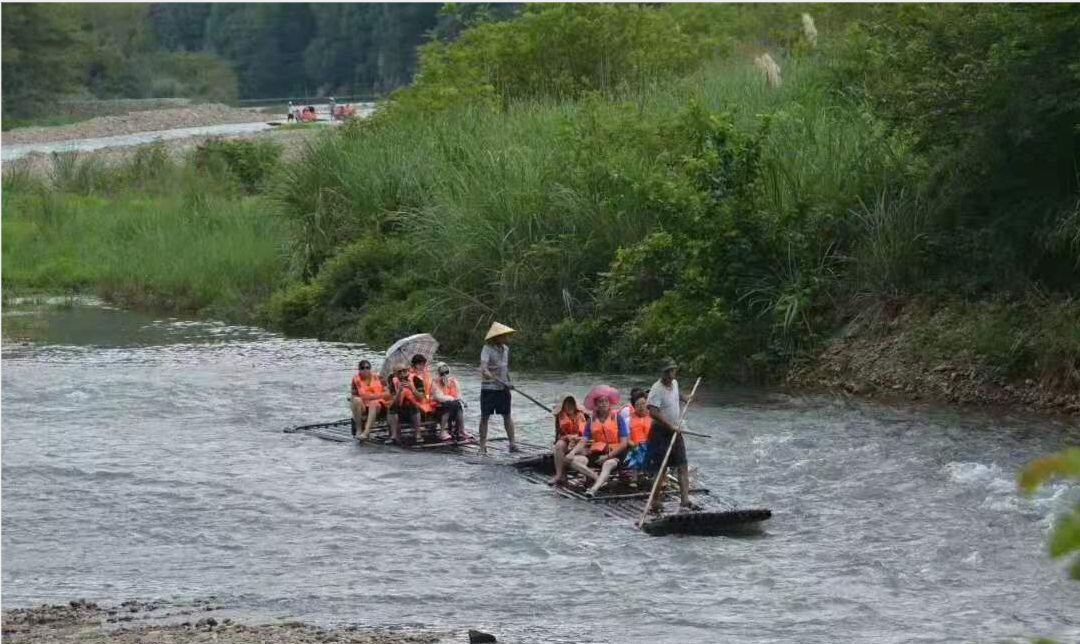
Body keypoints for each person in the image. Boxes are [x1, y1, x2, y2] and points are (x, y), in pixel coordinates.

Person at [645, 357, 695, 512]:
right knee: (661, 468)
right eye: (667, 371)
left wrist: (685, 398)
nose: (670, 374)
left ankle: (685, 500)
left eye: (672, 370)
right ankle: (655, 500)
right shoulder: (656, 389)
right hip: (660, 432)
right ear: (662, 373)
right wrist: (670, 426)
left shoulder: (675, 383)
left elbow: (676, 394)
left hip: (676, 430)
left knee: (682, 464)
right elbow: (653, 412)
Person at [569, 386, 629, 497]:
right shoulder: (591, 420)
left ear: (609, 403)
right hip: (597, 453)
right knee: (573, 461)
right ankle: (598, 478)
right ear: (596, 405)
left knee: (608, 464)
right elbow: (584, 440)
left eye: (606, 401)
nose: (603, 404)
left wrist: (607, 456)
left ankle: (593, 489)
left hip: (615, 453)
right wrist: (572, 452)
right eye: (600, 402)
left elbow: (624, 443)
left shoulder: (618, 418)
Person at [478, 321, 517, 454]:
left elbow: (505, 369)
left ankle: (512, 443)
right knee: (485, 417)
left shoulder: (506, 349)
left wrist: (508, 382)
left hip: (503, 388)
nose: (506, 338)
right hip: (489, 389)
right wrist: (488, 374)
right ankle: (482, 446)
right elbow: (484, 369)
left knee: (507, 415)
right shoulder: (487, 349)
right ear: (497, 337)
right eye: (504, 335)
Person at [547, 394, 587, 486]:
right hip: (567, 441)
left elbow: (585, 435)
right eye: (567, 403)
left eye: (571, 403)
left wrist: (575, 438)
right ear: (563, 406)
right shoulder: (560, 416)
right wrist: (567, 437)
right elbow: (558, 435)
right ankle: (559, 475)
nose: (569, 406)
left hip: (580, 442)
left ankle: (582, 475)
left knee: (577, 449)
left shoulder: (581, 416)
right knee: (559, 445)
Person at [350, 359, 390, 441]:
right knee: (356, 400)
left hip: (379, 405)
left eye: (367, 368)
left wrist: (373, 397)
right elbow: (360, 395)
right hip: (364, 405)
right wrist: (379, 395)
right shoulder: (356, 379)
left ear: (370, 369)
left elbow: (388, 393)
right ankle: (359, 429)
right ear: (359, 370)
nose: (365, 370)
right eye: (362, 368)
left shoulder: (379, 378)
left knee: (373, 403)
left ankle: (366, 432)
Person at [387, 364, 423, 444]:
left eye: (404, 371)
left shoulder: (416, 379)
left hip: (415, 408)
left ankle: (418, 434)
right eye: (400, 372)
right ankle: (394, 435)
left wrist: (412, 389)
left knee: (413, 405)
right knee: (392, 408)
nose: (403, 374)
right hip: (399, 409)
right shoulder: (393, 382)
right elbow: (394, 401)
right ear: (395, 374)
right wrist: (399, 391)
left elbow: (421, 398)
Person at [431, 362, 464, 442]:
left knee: (458, 405)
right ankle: (442, 432)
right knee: (448, 405)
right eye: (442, 373)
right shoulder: (434, 383)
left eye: (446, 372)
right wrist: (451, 399)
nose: (445, 375)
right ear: (438, 373)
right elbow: (439, 397)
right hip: (437, 408)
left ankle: (461, 431)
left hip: (452, 405)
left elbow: (458, 394)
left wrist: (455, 399)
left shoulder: (453, 381)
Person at [621, 388, 653, 471]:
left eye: (643, 403)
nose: (641, 407)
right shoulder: (628, 420)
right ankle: (634, 477)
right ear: (634, 407)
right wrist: (636, 446)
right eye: (638, 405)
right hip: (634, 446)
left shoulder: (653, 419)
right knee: (637, 452)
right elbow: (627, 439)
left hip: (651, 446)